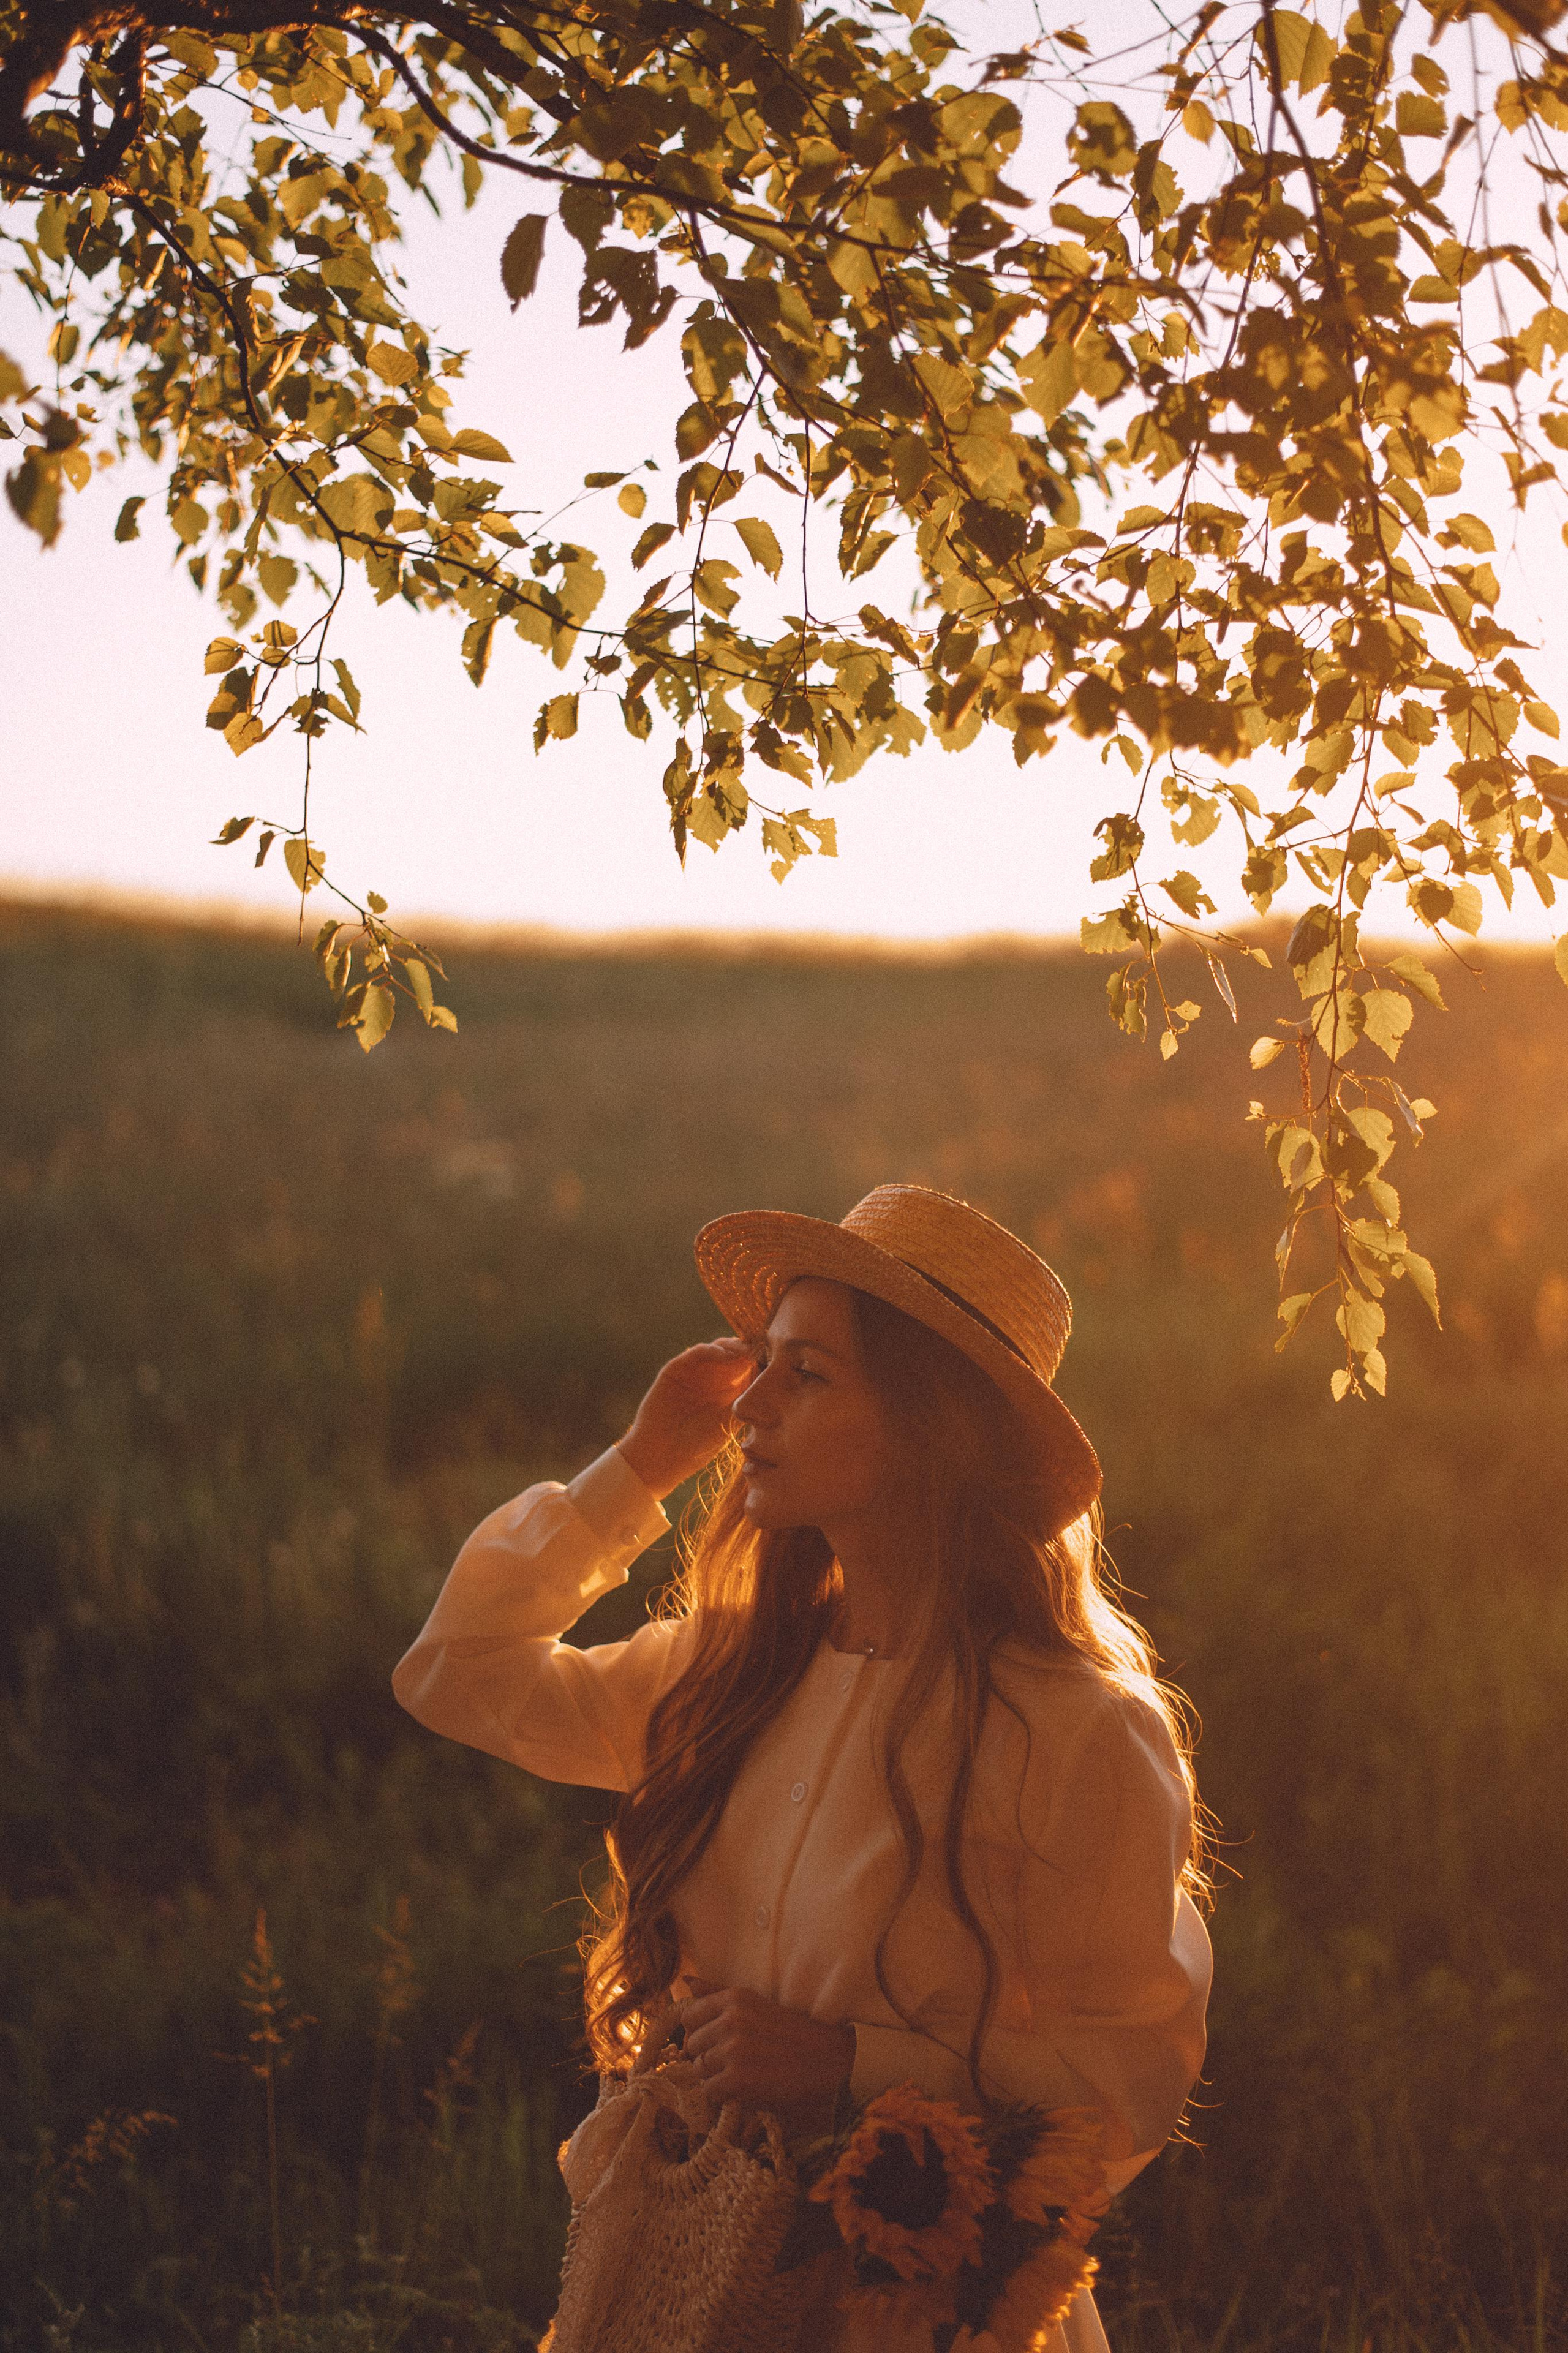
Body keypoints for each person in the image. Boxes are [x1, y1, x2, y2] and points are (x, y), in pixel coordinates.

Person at [393, 1184, 1212, 2352]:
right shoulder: (721, 1677)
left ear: (934, 1424)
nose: (749, 1410)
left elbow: (1128, 2079)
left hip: (919, 2310)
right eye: (759, 1364)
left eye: (808, 1374)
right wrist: (636, 1465)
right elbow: (456, 1670)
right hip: (680, 2282)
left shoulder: (1076, 1729)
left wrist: (852, 2070)